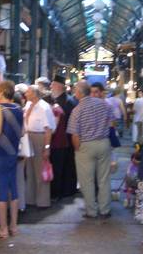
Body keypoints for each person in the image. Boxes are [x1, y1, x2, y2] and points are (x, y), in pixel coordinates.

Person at [67, 81, 114, 218]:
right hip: (104, 143)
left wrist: (78, 149)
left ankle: (91, 210)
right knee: (104, 178)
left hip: (86, 145)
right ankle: (105, 209)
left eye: (76, 90)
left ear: (80, 93)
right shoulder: (104, 104)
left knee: (86, 180)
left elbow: (75, 134)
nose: (75, 92)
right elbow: (111, 123)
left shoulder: (77, 110)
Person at [0, 80, 24, 239]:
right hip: (12, 154)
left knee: (0, 191)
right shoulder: (18, 108)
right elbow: (23, 132)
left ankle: (3, 229)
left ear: (2, 93)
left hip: (0, 154)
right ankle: (14, 227)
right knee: (13, 189)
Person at [24, 86, 56, 208]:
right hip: (29, 137)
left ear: (35, 94)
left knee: (40, 170)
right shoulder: (28, 105)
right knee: (30, 170)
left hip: (40, 138)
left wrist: (47, 147)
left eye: (28, 92)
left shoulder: (44, 107)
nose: (26, 93)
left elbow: (48, 129)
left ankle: (43, 201)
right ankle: (30, 199)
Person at [50, 75, 78, 199]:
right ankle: (67, 189)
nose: (50, 87)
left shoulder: (66, 102)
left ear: (58, 86)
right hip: (68, 139)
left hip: (63, 139)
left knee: (61, 166)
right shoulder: (70, 100)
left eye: (53, 84)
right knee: (67, 166)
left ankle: (60, 191)